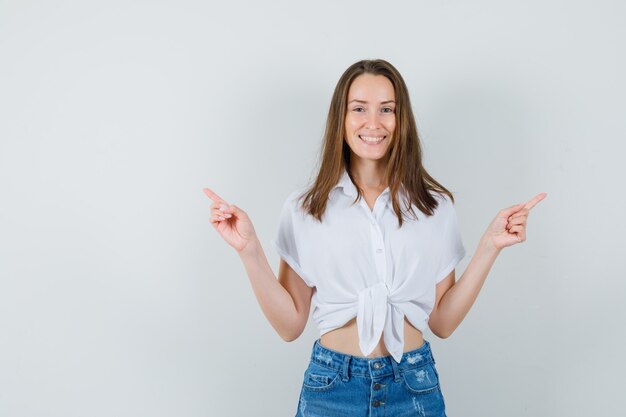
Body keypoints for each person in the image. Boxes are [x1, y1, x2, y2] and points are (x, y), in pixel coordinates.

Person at [203, 59, 546, 417]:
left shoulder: (433, 206)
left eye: (386, 109)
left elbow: (442, 322)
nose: (373, 123)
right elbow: (290, 326)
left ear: (401, 120)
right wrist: (250, 251)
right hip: (331, 389)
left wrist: (489, 247)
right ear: (342, 118)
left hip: (413, 386)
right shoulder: (305, 208)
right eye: (359, 109)